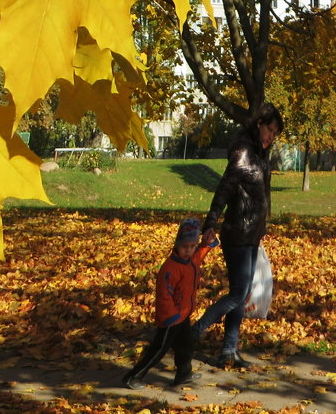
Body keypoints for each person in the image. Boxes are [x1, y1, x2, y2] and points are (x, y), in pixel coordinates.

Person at [193, 102, 284, 369]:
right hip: (237, 233)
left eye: (275, 133)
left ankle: (229, 350)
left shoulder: (259, 153)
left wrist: (261, 228)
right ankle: (193, 334)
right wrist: (211, 221)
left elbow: (256, 195)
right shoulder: (244, 151)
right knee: (237, 293)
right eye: (269, 130)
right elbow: (224, 188)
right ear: (258, 125)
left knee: (240, 293)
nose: (271, 137)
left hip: (251, 233)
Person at [122, 218, 219, 389]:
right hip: (171, 317)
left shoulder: (191, 260)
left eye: (192, 246)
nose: (188, 251)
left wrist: (206, 244)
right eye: (184, 246)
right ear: (177, 245)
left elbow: (199, 254)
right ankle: (134, 377)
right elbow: (164, 294)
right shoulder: (171, 267)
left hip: (184, 313)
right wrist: (171, 316)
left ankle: (184, 373)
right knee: (159, 349)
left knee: (185, 346)